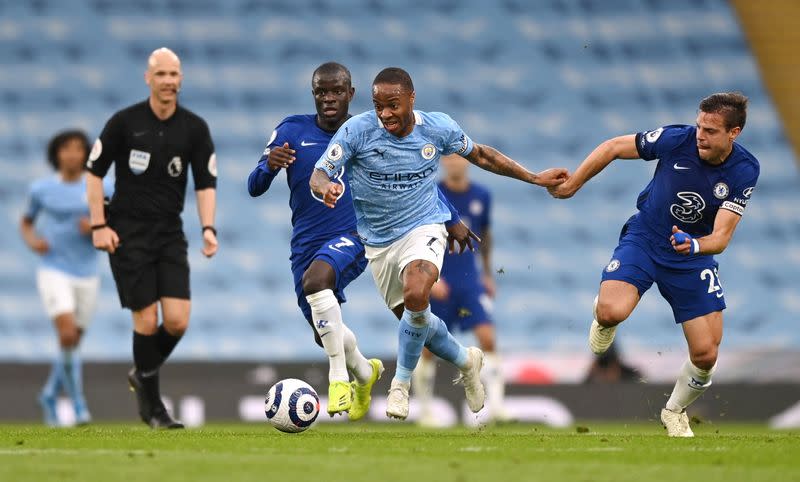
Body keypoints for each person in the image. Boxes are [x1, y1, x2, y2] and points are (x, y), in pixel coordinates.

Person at [310, 67, 569, 420]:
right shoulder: (357, 131)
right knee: (420, 325)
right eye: (377, 105)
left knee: (417, 292)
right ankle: (467, 361)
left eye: (393, 105)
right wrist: (326, 188)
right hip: (379, 243)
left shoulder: (438, 127)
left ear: (411, 99)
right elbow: (320, 173)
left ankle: (400, 387)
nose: (384, 113)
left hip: (425, 226)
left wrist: (535, 177)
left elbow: (482, 155)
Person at [548, 92, 758, 437]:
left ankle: (674, 410)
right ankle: (603, 315)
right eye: (699, 125)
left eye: (710, 130)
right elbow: (615, 146)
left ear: (733, 133)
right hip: (647, 237)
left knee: (706, 354)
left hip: (692, 255)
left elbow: (720, 237)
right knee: (611, 312)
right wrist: (574, 183)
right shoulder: (677, 139)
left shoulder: (745, 169)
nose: (700, 135)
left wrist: (694, 245)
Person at [85, 48, 219, 429]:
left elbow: (206, 182)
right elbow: (94, 173)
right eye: (161, 74)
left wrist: (208, 228)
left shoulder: (194, 128)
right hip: (127, 231)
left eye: (174, 74)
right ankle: (154, 407)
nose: (168, 81)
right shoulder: (124, 122)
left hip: (169, 231)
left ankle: (141, 372)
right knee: (146, 319)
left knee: (177, 321)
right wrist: (98, 225)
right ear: (148, 78)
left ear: (181, 78)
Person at [247, 62, 384, 420]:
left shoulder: (367, 133)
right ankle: (366, 374)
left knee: (317, 281)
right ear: (314, 94)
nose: (329, 98)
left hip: (354, 236)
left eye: (337, 91)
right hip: (305, 245)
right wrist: (269, 165)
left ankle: (337, 378)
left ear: (350, 94)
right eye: (321, 91)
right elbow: (254, 186)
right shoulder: (291, 130)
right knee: (324, 330)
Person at [21, 129, 112, 426]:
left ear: (86, 153)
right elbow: (26, 221)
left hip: (87, 272)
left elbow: (116, 219)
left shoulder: (100, 185)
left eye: (78, 148)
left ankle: (49, 394)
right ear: (56, 154)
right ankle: (78, 404)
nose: (72, 154)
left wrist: (98, 225)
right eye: (66, 148)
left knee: (72, 344)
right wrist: (33, 241)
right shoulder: (41, 189)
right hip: (53, 269)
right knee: (67, 334)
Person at [413, 154, 509, 425]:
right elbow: (418, 235)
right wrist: (428, 277)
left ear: (467, 162)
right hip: (439, 279)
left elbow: (485, 236)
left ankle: (498, 407)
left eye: (460, 159)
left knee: (488, 337)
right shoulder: (432, 194)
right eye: (450, 159)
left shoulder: (482, 195)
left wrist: (488, 275)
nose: (456, 163)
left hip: (469, 280)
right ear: (443, 162)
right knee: (429, 347)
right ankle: (425, 411)